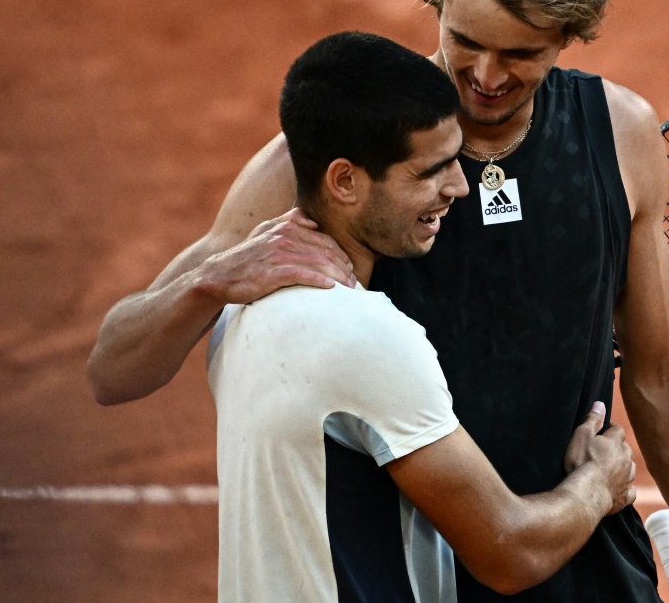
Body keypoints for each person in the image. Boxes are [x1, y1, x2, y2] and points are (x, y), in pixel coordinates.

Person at [88, 0, 669, 602]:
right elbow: (114, 370)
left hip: (582, 551)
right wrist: (211, 276)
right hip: (422, 572)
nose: (487, 76)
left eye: (521, 53)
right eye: (466, 42)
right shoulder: (340, 156)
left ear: (568, 36)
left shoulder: (620, 136)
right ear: (436, 4)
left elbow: (658, 374)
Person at [209, 30, 637, 601]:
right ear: (345, 181)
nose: (459, 186)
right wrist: (598, 483)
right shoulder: (369, 340)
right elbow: (510, 551)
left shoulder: (237, 310)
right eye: (429, 171)